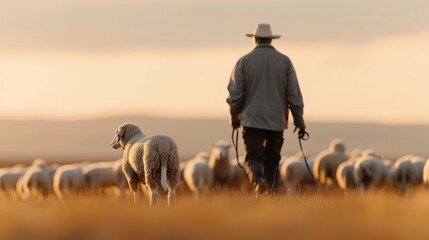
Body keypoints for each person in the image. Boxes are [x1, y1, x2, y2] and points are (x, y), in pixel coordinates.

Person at [226, 23, 306, 194]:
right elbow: (294, 95)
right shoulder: (285, 62)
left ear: (254, 39)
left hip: (252, 120)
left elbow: (235, 94)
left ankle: (257, 180)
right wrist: (299, 121)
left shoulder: (243, 62)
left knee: (253, 158)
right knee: (272, 161)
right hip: (276, 122)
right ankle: (272, 193)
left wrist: (234, 117)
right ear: (271, 39)